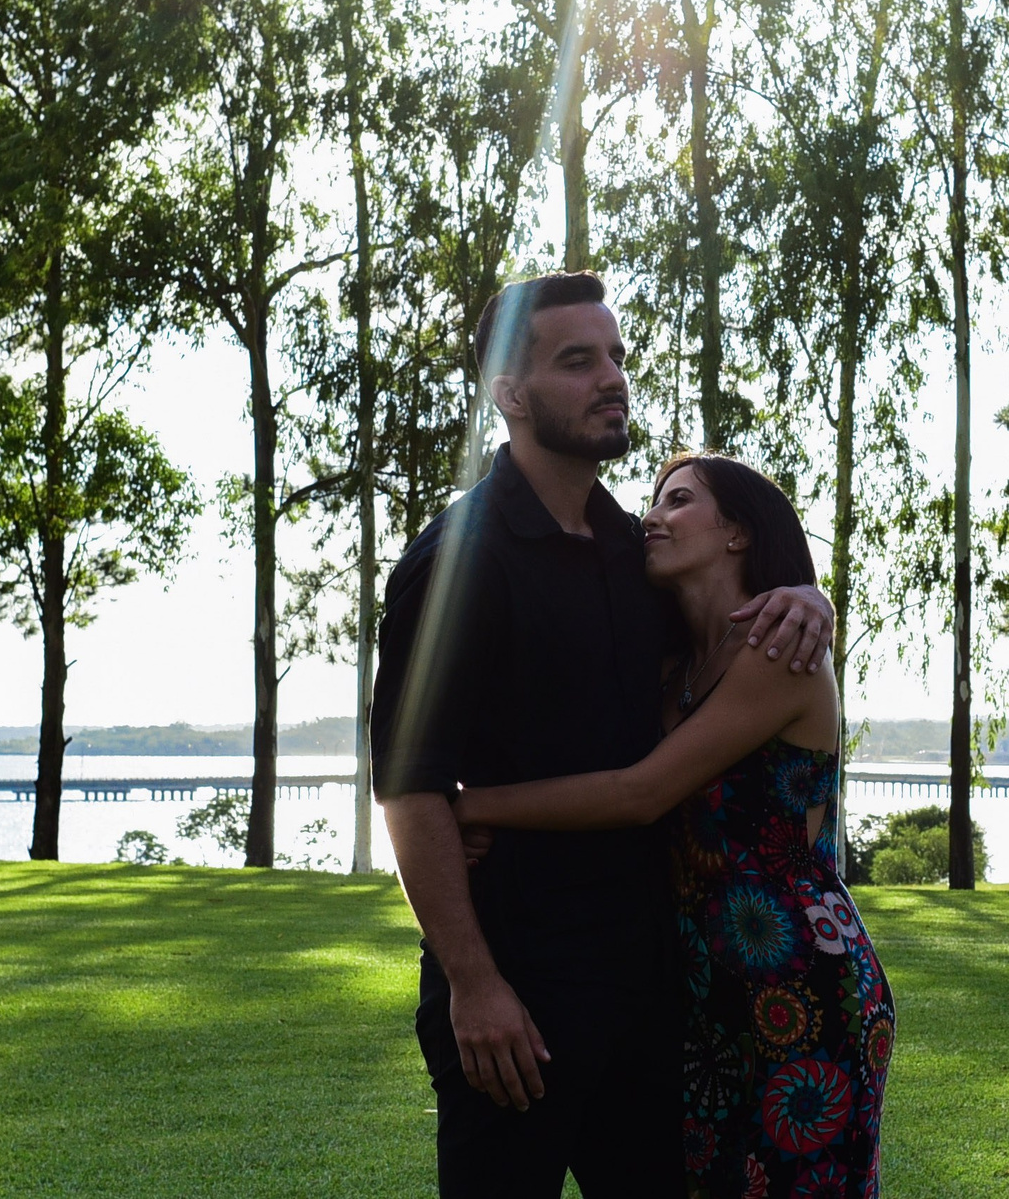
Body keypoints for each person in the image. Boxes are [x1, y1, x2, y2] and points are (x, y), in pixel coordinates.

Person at [372, 274, 833, 1199]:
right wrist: (474, 983)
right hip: (519, 993)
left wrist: (809, 593)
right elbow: (409, 788)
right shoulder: (458, 560)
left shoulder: (634, 552)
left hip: (653, 995)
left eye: (616, 356)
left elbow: (721, 643)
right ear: (510, 393)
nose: (611, 377)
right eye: (577, 361)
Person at [455, 452, 893, 1199]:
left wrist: (468, 805)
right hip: (698, 988)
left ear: (738, 533)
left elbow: (640, 793)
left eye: (678, 500)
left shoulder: (779, 651)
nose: (650, 517)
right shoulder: (671, 665)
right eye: (653, 501)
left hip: (799, 986)